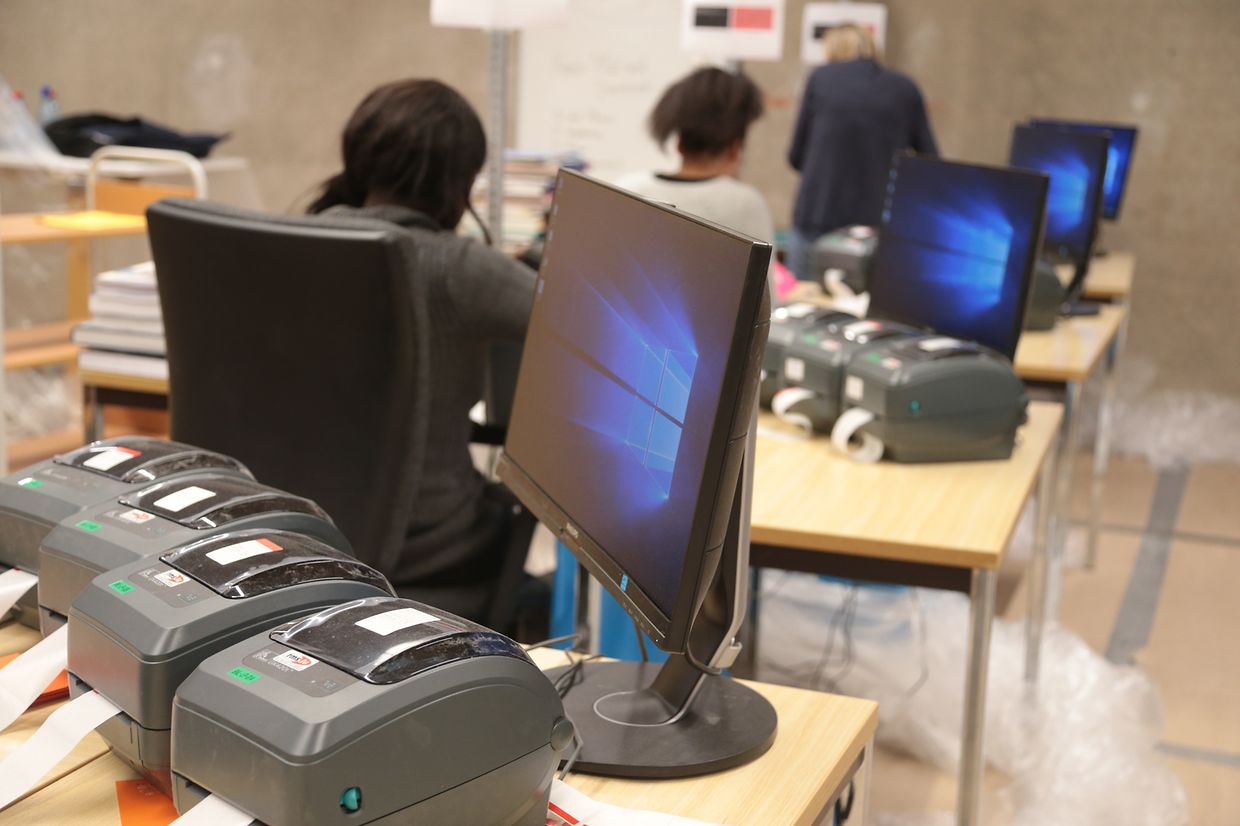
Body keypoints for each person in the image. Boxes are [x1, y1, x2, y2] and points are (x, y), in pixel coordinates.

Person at [308, 79, 536, 612]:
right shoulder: (458, 268)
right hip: (431, 548)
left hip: (300, 537)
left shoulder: (294, 242)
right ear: (459, 185)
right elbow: (590, 322)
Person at [786, 24, 938, 280]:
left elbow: (795, 156)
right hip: (878, 227)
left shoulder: (821, 78)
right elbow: (930, 160)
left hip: (818, 215)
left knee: (803, 306)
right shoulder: (905, 87)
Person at [617, 67, 774, 250]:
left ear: (679, 143)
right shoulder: (745, 204)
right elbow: (763, 276)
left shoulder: (628, 189)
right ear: (735, 147)